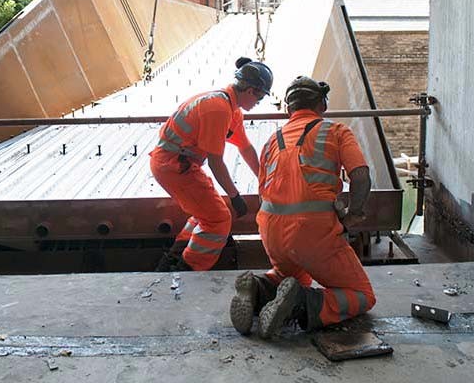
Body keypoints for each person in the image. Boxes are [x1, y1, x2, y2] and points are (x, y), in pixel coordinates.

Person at [230, 76, 375, 338]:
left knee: (295, 276)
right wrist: (351, 218)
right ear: (322, 105)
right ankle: (301, 304)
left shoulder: (271, 141)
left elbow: (263, 194)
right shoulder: (336, 131)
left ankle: (259, 288)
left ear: (289, 109)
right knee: (361, 294)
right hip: (314, 231)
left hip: (272, 233)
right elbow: (361, 176)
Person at [150, 58, 274, 271]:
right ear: (251, 90)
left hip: (178, 165)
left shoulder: (231, 109)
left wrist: (263, 182)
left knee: (204, 213)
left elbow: (245, 148)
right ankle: (186, 271)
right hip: (174, 167)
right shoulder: (218, 109)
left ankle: (172, 261)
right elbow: (216, 162)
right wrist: (235, 196)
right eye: (260, 98)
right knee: (218, 219)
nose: (258, 103)